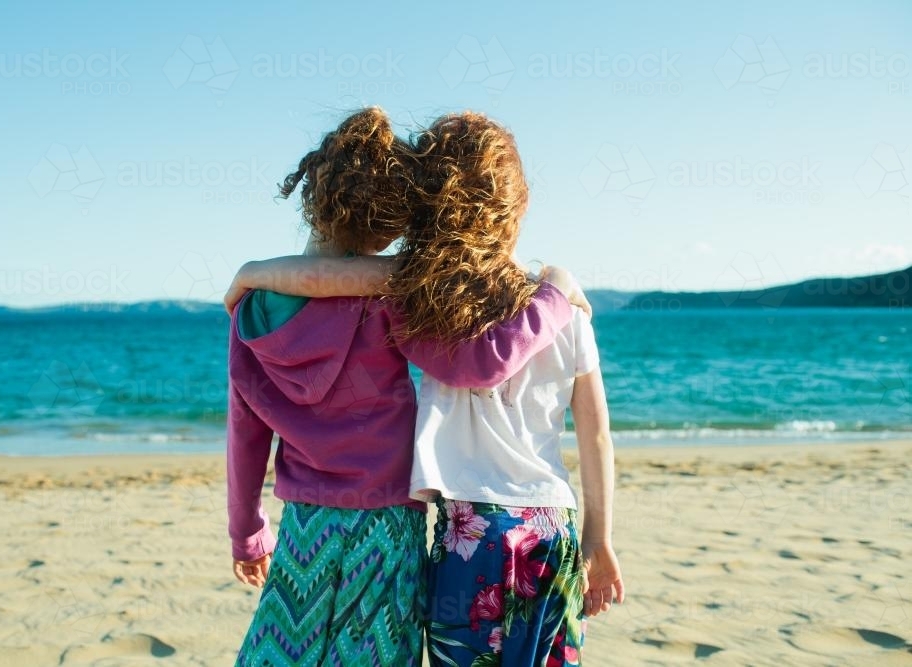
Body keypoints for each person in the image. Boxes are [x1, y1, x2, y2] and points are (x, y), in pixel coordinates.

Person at [227, 111, 624, 667]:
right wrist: (553, 294)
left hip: (363, 524)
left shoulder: (264, 312)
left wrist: (246, 532)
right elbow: (568, 420)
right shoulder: (423, 305)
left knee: (291, 644)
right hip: (465, 522)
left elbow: (246, 430)